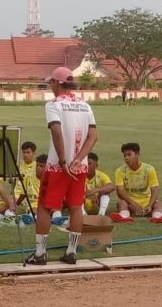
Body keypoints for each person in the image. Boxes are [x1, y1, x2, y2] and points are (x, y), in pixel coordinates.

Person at [25, 66, 97, 266]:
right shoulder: (85, 105)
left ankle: (40, 254)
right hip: (79, 167)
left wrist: (64, 161)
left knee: (45, 208)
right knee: (76, 207)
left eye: (51, 82)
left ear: (57, 83)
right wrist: (78, 159)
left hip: (58, 166)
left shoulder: (53, 105)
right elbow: (93, 136)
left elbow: (56, 132)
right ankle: (71, 252)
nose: (50, 86)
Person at [111, 143, 162, 223]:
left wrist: (150, 205)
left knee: (159, 204)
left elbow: (154, 189)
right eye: (125, 155)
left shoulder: (149, 169)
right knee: (121, 203)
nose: (126, 158)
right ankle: (124, 217)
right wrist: (132, 203)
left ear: (138, 154)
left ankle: (157, 218)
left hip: (146, 200)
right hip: (129, 201)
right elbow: (120, 192)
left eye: (129, 155)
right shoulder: (120, 171)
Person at [15, 142, 39, 213]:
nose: (25, 155)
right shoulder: (18, 165)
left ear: (34, 153)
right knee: (9, 205)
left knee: (33, 211)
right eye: (24, 152)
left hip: (32, 195)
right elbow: (14, 180)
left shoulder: (38, 166)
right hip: (18, 194)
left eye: (28, 152)